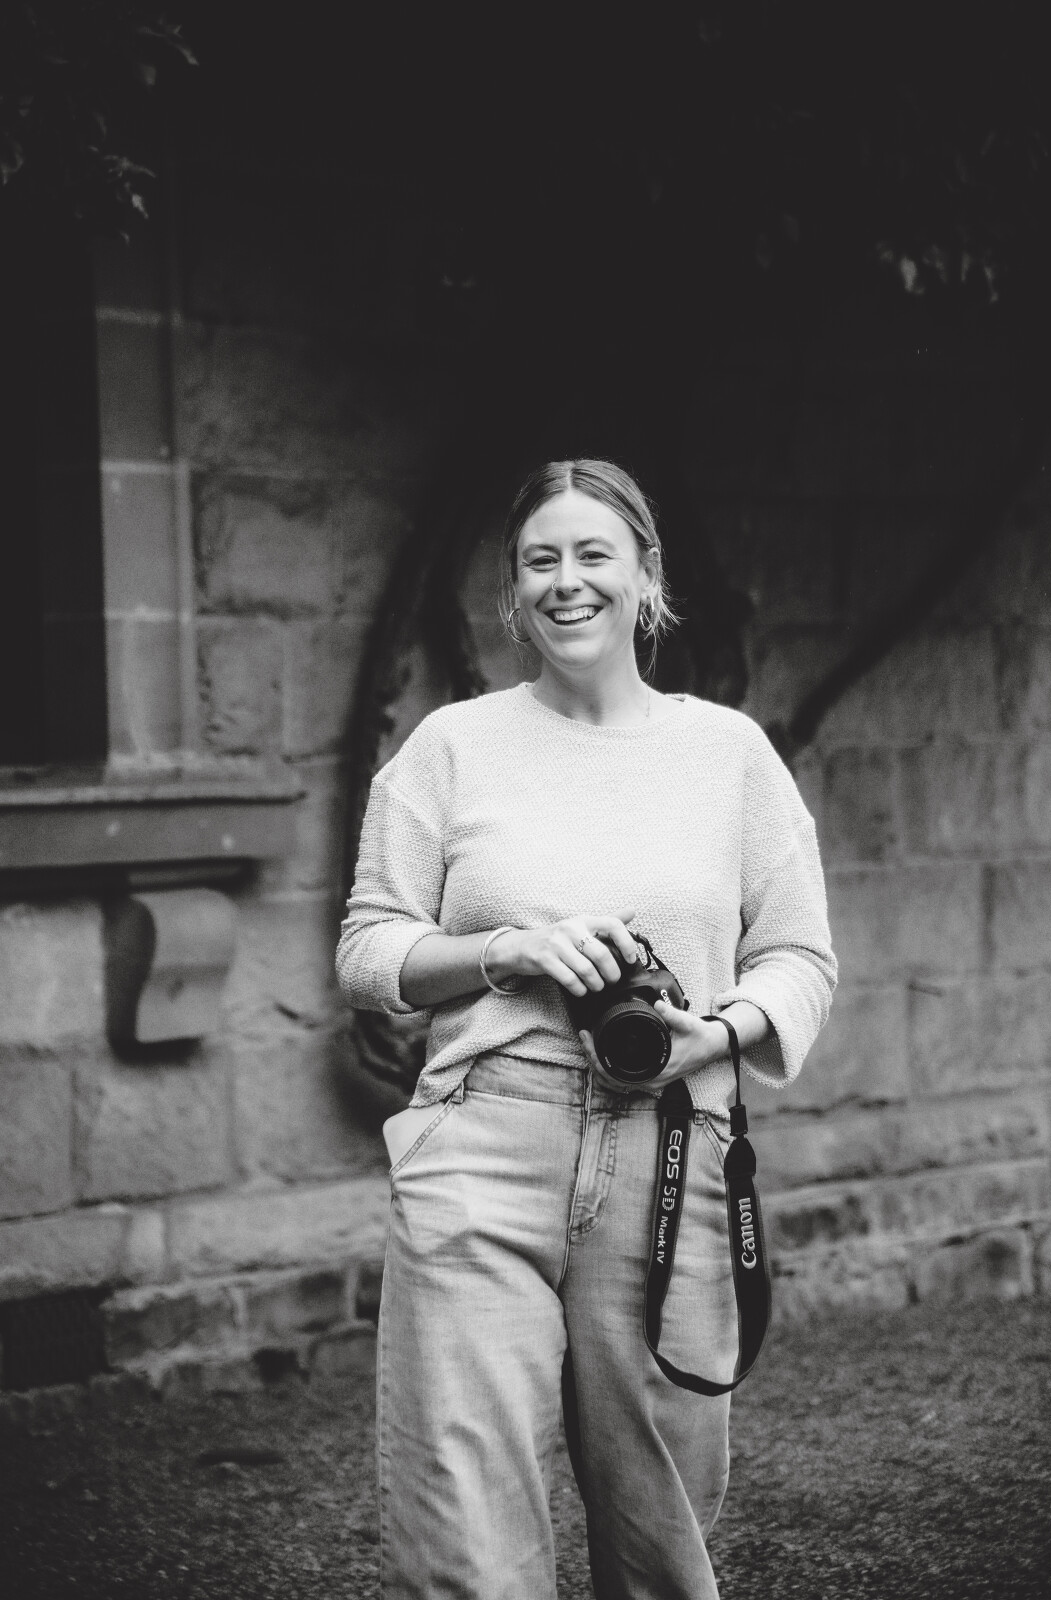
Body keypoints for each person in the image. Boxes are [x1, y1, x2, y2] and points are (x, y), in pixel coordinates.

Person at [336, 458, 837, 1600]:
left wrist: (719, 1032)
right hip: (484, 1138)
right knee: (462, 1529)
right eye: (540, 560)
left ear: (645, 575)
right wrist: (503, 951)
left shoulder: (728, 754)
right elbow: (368, 951)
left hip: (672, 1144)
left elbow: (800, 958)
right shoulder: (450, 748)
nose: (566, 581)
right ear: (514, 591)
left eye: (593, 554)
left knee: (663, 1536)